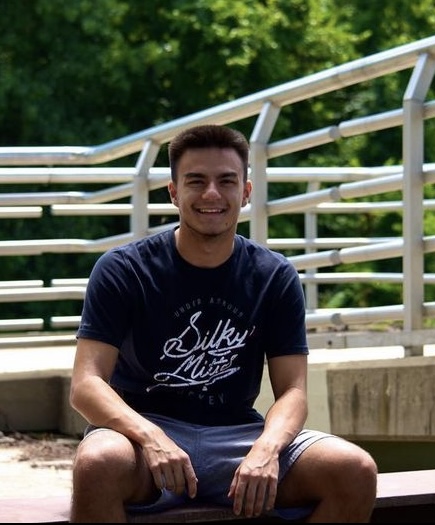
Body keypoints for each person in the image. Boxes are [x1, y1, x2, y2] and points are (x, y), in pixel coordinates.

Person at [69, 124, 378, 523]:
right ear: (174, 192)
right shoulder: (124, 269)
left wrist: (267, 449)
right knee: (97, 462)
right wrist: (150, 436)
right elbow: (86, 384)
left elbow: (294, 392)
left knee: (355, 470)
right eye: (196, 181)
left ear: (246, 192)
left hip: (239, 437)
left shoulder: (273, 274)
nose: (211, 193)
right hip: (142, 436)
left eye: (226, 181)